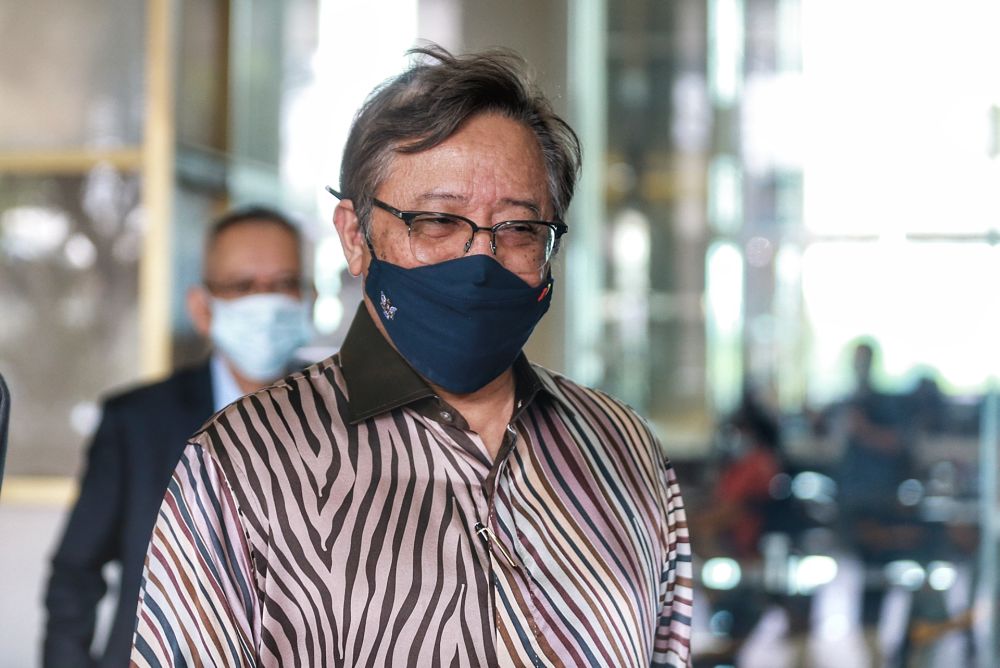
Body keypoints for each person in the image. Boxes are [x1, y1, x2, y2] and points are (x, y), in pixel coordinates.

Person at [131, 45, 693, 668]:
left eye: (519, 228)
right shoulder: (242, 464)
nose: (479, 261)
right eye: (436, 221)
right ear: (355, 237)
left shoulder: (624, 450)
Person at [43, 206, 313, 667]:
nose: (265, 303)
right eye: (243, 286)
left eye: (283, 284)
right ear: (202, 308)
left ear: (307, 296)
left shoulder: (340, 415)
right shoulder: (135, 422)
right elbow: (76, 573)